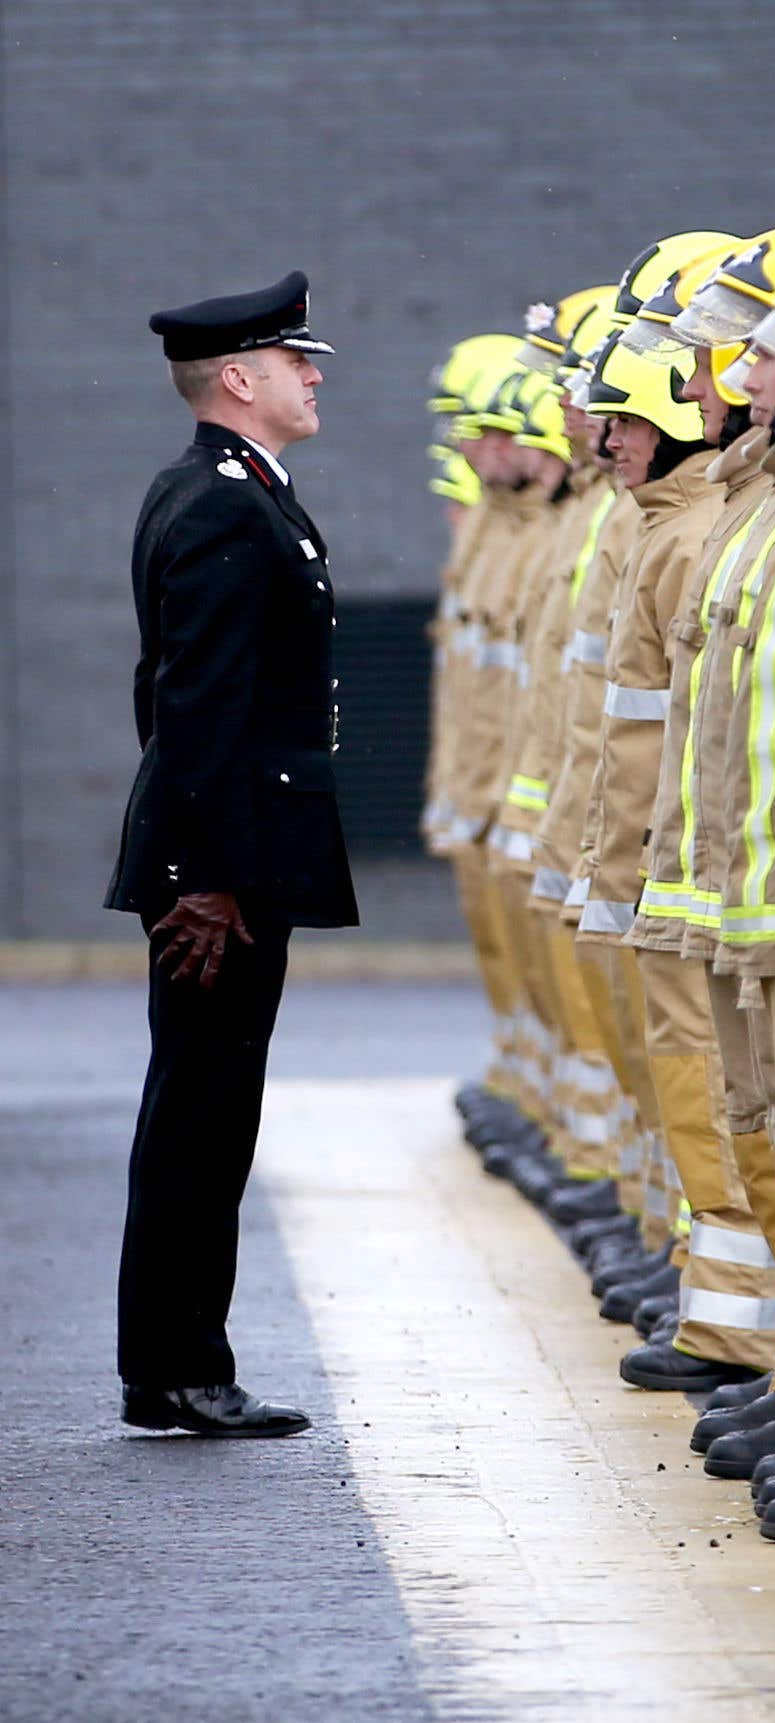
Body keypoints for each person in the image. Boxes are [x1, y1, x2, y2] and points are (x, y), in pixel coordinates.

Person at [108, 270, 353, 1438]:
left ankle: (173, 1361)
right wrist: (201, 876)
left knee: (206, 1108)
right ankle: (177, 1368)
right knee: (204, 1114)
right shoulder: (219, 502)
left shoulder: (233, 489)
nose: (315, 376)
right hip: (223, 874)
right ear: (239, 380)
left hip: (235, 855)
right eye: (297, 361)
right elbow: (195, 704)